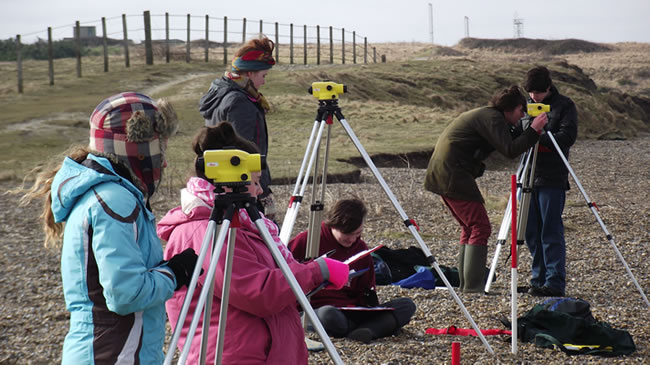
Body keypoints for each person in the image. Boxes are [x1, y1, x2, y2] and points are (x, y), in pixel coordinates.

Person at [17, 92, 200, 364]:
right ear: (134, 149)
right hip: (113, 354)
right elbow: (125, 294)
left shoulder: (105, 194)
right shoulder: (115, 200)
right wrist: (174, 273)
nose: (162, 162)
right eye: (158, 149)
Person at [158, 121, 349, 364]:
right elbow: (257, 292)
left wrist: (310, 274)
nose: (259, 191)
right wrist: (316, 271)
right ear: (231, 179)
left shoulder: (243, 224)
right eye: (255, 181)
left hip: (262, 352)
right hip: (234, 356)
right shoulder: (205, 230)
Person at [423, 85, 548, 293]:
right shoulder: (493, 119)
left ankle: (467, 285)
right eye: (520, 111)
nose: (523, 115)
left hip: (444, 172)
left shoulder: (488, 116)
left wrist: (524, 131)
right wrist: (534, 130)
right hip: (453, 173)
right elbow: (509, 149)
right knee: (480, 227)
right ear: (509, 109)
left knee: (470, 227)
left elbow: (505, 141)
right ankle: (473, 287)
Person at [288, 198, 416, 344]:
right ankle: (377, 328)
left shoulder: (360, 247)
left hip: (352, 310)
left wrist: (370, 306)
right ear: (333, 225)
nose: (352, 239)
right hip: (318, 308)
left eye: (358, 233)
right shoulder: (307, 240)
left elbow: (366, 289)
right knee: (328, 315)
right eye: (347, 234)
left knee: (406, 305)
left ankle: (366, 330)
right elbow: (284, 276)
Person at [199, 37, 277, 220]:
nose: (264, 82)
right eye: (263, 76)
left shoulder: (221, 94)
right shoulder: (240, 102)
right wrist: (262, 192)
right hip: (242, 188)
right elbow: (245, 153)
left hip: (221, 183)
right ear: (250, 73)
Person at [522, 66, 578, 297]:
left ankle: (554, 281)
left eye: (538, 93)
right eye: (531, 93)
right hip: (528, 175)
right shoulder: (526, 104)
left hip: (552, 177)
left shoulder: (564, 105)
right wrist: (528, 130)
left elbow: (567, 137)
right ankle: (538, 279)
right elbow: (518, 131)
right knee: (530, 231)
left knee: (550, 230)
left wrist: (540, 133)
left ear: (548, 87)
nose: (534, 97)